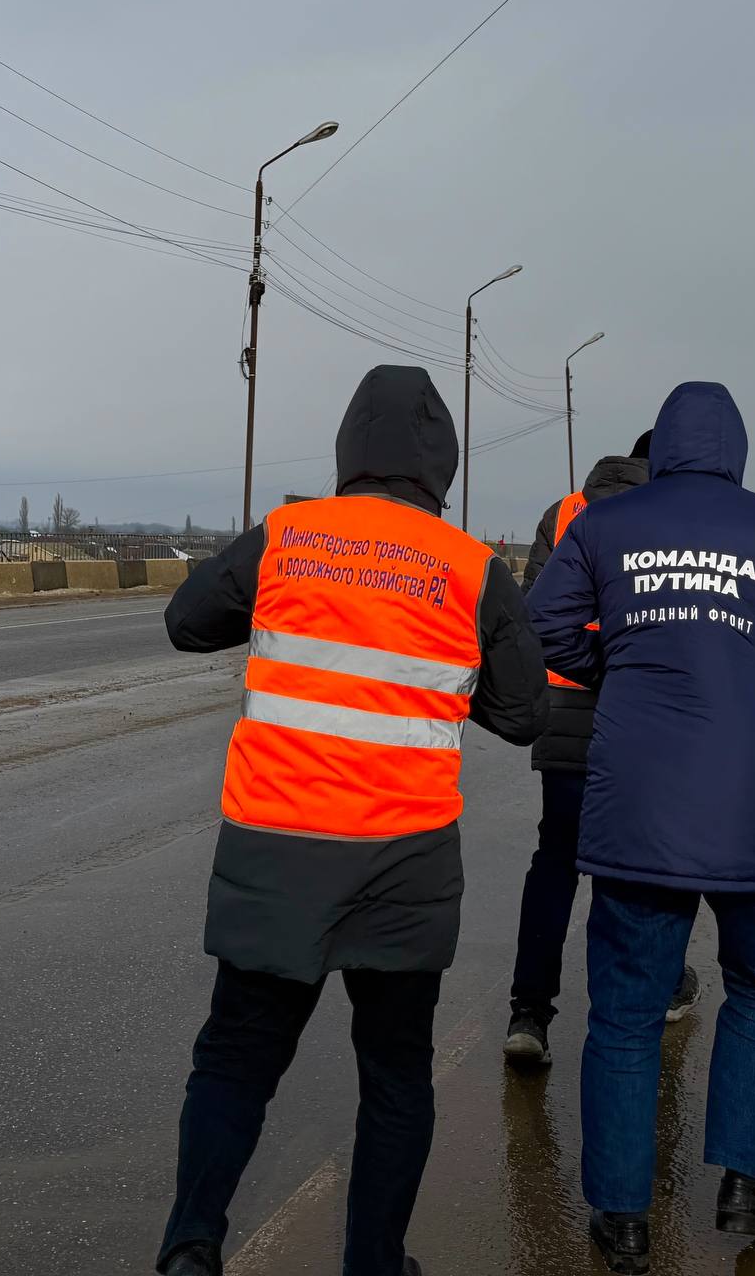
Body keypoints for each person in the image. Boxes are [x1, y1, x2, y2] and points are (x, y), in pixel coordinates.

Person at [155, 364, 547, 1276]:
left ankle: (189, 1250)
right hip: (403, 866)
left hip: (274, 850)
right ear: (439, 466)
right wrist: (447, 682)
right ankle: (374, 1264)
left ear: (347, 449)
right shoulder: (472, 568)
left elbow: (187, 621)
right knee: (396, 1076)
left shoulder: (287, 538)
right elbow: (526, 711)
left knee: (237, 1059)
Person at [526, 382, 755, 1275]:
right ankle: (746, 1180)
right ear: (736, 450)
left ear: (664, 446)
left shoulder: (605, 525)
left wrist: (623, 663)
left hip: (640, 796)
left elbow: (544, 624)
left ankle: (623, 1217)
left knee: (628, 1011)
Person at [502, 432, 699, 1068]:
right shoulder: (675, 521)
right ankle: (655, 994)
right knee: (646, 862)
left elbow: (534, 612)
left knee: (555, 858)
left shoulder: (563, 513)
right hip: (642, 715)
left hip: (562, 711)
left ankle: (529, 1013)